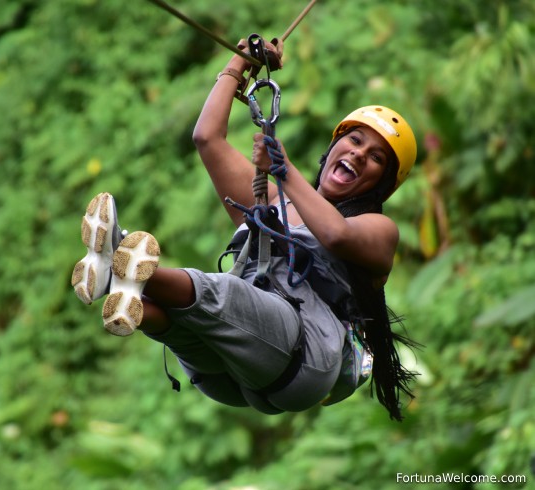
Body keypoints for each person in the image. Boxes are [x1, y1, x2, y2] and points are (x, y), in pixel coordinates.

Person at [71, 39, 418, 420]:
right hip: (229, 370)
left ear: (382, 184)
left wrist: (283, 168)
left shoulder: (378, 229)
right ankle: (122, 289)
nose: (358, 154)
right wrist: (238, 63)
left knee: (223, 291)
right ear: (334, 145)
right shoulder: (274, 199)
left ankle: (120, 263)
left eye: (375, 159)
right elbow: (207, 139)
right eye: (354, 140)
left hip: (306, 356)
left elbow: (335, 235)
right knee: (179, 321)